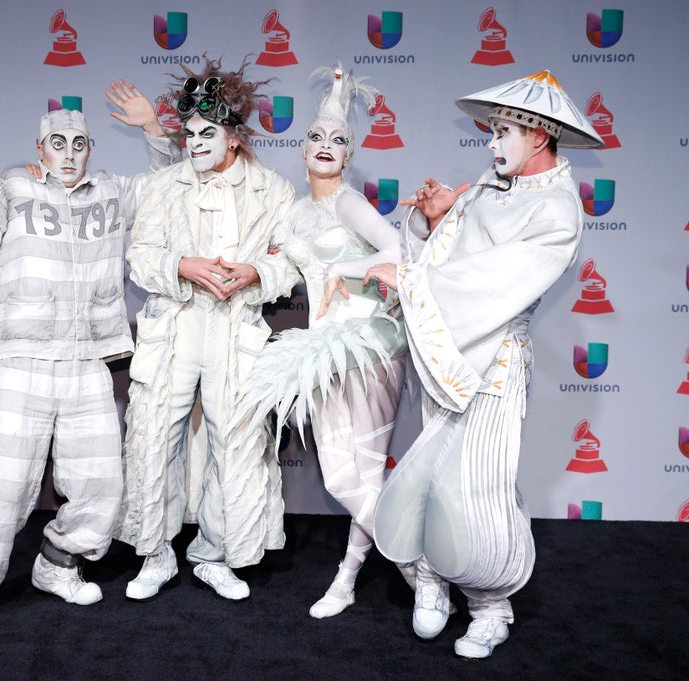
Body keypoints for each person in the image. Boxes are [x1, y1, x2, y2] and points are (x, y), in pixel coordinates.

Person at [0, 84, 181, 626]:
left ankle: (56, 565)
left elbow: (169, 183)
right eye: (58, 143)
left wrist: (152, 128)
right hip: (21, 365)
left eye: (80, 144)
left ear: (91, 148)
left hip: (88, 366)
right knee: (4, 491)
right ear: (40, 150)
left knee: (102, 488)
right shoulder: (12, 188)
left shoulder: (111, 192)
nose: (70, 153)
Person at [363, 71, 604, 659]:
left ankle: (491, 606)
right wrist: (437, 217)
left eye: (502, 132)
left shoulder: (558, 210)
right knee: (425, 478)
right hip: (452, 356)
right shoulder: (488, 187)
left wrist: (412, 280)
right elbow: (450, 250)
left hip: (494, 367)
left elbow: (494, 282)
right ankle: (432, 581)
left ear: (540, 135)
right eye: (491, 131)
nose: (492, 145)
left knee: (476, 489)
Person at [113, 56, 299, 602]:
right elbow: (140, 256)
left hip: (236, 330)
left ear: (234, 138)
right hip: (173, 326)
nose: (194, 143)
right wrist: (181, 266)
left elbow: (292, 259)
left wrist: (255, 272)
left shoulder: (274, 189)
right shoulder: (163, 185)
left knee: (236, 441)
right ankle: (155, 553)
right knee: (154, 436)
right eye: (189, 132)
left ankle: (215, 553)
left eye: (207, 133)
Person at [234, 62, 409, 619]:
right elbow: (280, 264)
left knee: (359, 473)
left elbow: (400, 253)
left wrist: (347, 270)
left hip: (368, 344)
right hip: (320, 352)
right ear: (303, 149)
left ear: (349, 154)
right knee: (348, 478)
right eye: (317, 137)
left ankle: (378, 575)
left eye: (339, 140)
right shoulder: (294, 213)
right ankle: (409, 567)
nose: (327, 145)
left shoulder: (347, 203)